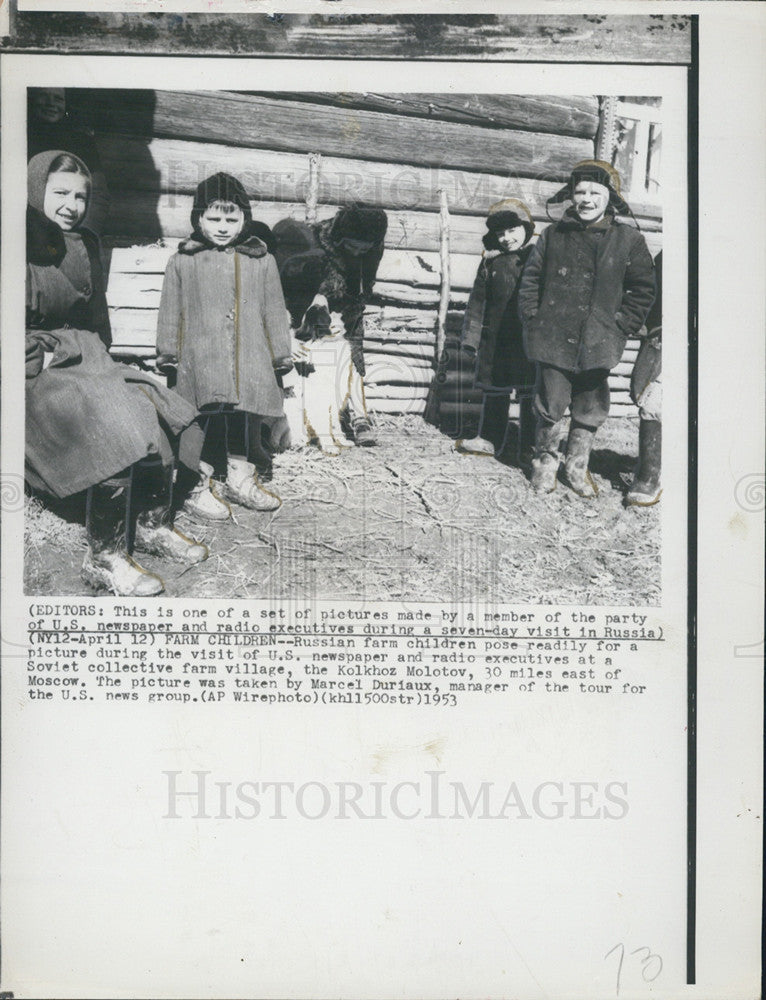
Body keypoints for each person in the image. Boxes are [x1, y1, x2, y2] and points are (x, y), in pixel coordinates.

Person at [26, 150, 207, 596]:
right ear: (35, 193)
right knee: (113, 421)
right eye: (60, 193)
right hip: (32, 367)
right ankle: (103, 558)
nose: (72, 205)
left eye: (80, 196)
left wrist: (103, 360)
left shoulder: (84, 244)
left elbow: (94, 316)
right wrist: (36, 358)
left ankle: (150, 524)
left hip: (82, 355)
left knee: (154, 400)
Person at [155, 172, 293, 521]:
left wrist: (280, 354)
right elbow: (171, 309)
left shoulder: (260, 261)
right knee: (195, 417)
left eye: (231, 219)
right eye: (213, 218)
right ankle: (192, 485)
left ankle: (240, 479)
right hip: (198, 358)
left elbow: (274, 310)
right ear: (198, 218)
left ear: (244, 220)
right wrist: (168, 353)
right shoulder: (184, 260)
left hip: (249, 355)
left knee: (244, 416)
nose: (222, 226)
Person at [518, 160, 655, 497]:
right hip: (552, 337)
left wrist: (622, 325)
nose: (586, 199)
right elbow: (530, 281)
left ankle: (576, 468)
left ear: (611, 197)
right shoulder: (553, 235)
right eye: (580, 191)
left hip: (599, 340)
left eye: (595, 192)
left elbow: (643, 289)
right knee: (550, 403)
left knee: (590, 406)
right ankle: (544, 465)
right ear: (571, 195)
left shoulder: (629, 240)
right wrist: (533, 317)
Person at [274, 204, 388, 446]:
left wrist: (352, 313)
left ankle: (360, 418)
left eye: (363, 249)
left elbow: (364, 281)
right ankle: (303, 423)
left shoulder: (374, 246)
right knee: (311, 366)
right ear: (340, 238)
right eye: (352, 247)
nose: (358, 253)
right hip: (313, 306)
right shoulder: (317, 243)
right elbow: (292, 289)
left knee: (354, 355)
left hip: (349, 304)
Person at [455, 198, 537, 463]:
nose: (506, 238)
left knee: (531, 393)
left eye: (512, 231)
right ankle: (489, 438)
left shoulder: (537, 258)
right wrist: (471, 337)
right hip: (497, 340)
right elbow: (478, 302)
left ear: (527, 228)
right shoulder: (490, 263)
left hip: (528, 339)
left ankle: (530, 446)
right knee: (495, 390)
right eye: (500, 233)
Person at [27, 88, 110, 236]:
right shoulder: (18, 133)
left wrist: (84, 234)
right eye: (43, 96)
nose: (51, 103)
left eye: (58, 99)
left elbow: (99, 194)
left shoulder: (80, 141)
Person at [626, 249, 662, 506]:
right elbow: (648, 296)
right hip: (664, 335)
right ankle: (649, 475)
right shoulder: (667, 257)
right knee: (650, 399)